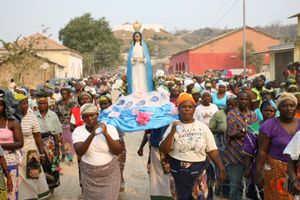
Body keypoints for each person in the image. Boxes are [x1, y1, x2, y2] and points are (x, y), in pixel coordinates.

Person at [159, 93, 226, 200]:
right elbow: (164, 149)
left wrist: (221, 169)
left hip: (199, 171)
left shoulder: (203, 127)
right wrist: (172, 132)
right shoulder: (173, 126)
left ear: (194, 109)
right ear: (179, 109)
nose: (187, 109)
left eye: (190, 107)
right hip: (178, 172)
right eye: (183, 107)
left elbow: (212, 150)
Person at [72, 103, 123, 200]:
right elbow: (80, 152)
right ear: (82, 118)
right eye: (86, 116)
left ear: (98, 114)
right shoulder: (78, 131)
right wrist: (92, 134)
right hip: (89, 177)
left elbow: (117, 151)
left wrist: (106, 134)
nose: (89, 118)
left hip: (110, 175)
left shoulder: (110, 128)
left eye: (92, 115)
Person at [255, 92, 299, 200]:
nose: (288, 109)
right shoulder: (269, 125)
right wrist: (257, 173)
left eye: (291, 106)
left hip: (297, 170)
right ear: (278, 108)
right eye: (284, 106)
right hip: (275, 170)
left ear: (296, 107)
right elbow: (262, 151)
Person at [15, 93, 50, 199]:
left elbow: (38, 137)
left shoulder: (32, 117)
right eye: (22, 104)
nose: (25, 106)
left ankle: (35, 196)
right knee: (19, 177)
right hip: (16, 151)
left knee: (33, 175)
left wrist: (42, 153)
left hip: (30, 150)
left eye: (26, 103)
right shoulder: (11, 118)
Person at [224, 91, 257, 200]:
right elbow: (232, 133)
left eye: (245, 99)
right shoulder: (232, 114)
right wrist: (248, 131)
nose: (243, 101)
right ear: (237, 100)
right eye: (241, 99)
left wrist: (243, 130)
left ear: (249, 101)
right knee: (235, 184)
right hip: (235, 154)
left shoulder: (253, 114)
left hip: (250, 154)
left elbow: (256, 131)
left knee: (249, 184)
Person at [243, 100, 277, 200]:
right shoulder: (254, 127)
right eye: (266, 110)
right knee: (259, 192)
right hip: (258, 165)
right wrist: (247, 168)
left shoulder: (279, 127)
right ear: (261, 111)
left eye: (272, 111)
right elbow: (248, 151)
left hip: (277, 165)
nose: (269, 113)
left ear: (275, 112)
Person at [99, 95, 127, 192]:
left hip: (118, 141)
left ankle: (117, 186)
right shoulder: (99, 115)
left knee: (120, 164)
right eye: (101, 104)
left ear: (110, 104)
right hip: (104, 143)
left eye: (105, 103)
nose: (103, 106)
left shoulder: (116, 113)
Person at [34, 94, 62, 191]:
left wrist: (58, 148)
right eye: (40, 104)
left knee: (52, 164)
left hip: (51, 143)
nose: (42, 105)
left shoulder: (53, 115)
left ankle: (52, 186)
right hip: (37, 142)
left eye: (44, 103)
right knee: (41, 164)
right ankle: (42, 188)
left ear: (48, 104)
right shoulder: (34, 115)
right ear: (37, 104)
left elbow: (57, 133)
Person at [0, 89, 24, 200]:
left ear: (6, 106)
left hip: (10, 160)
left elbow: (20, 143)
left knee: (11, 192)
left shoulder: (12, 122)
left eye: (0, 105)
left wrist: (0, 146)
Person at [127, 27, 153, 94]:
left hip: (142, 65)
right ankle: (135, 92)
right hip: (135, 65)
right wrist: (132, 60)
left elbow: (147, 58)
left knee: (142, 79)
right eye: (136, 36)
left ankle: (143, 92)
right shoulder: (132, 46)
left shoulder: (143, 46)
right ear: (134, 37)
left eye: (138, 36)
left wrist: (144, 60)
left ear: (140, 37)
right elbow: (129, 57)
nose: (137, 37)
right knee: (134, 79)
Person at [55, 88, 77, 164]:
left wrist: (73, 124)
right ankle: (63, 155)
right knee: (61, 141)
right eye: (62, 93)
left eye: (65, 93)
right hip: (60, 124)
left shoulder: (72, 103)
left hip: (69, 124)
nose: (63, 95)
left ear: (68, 94)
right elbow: (56, 113)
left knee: (68, 141)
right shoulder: (58, 103)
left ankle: (70, 158)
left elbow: (75, 114)